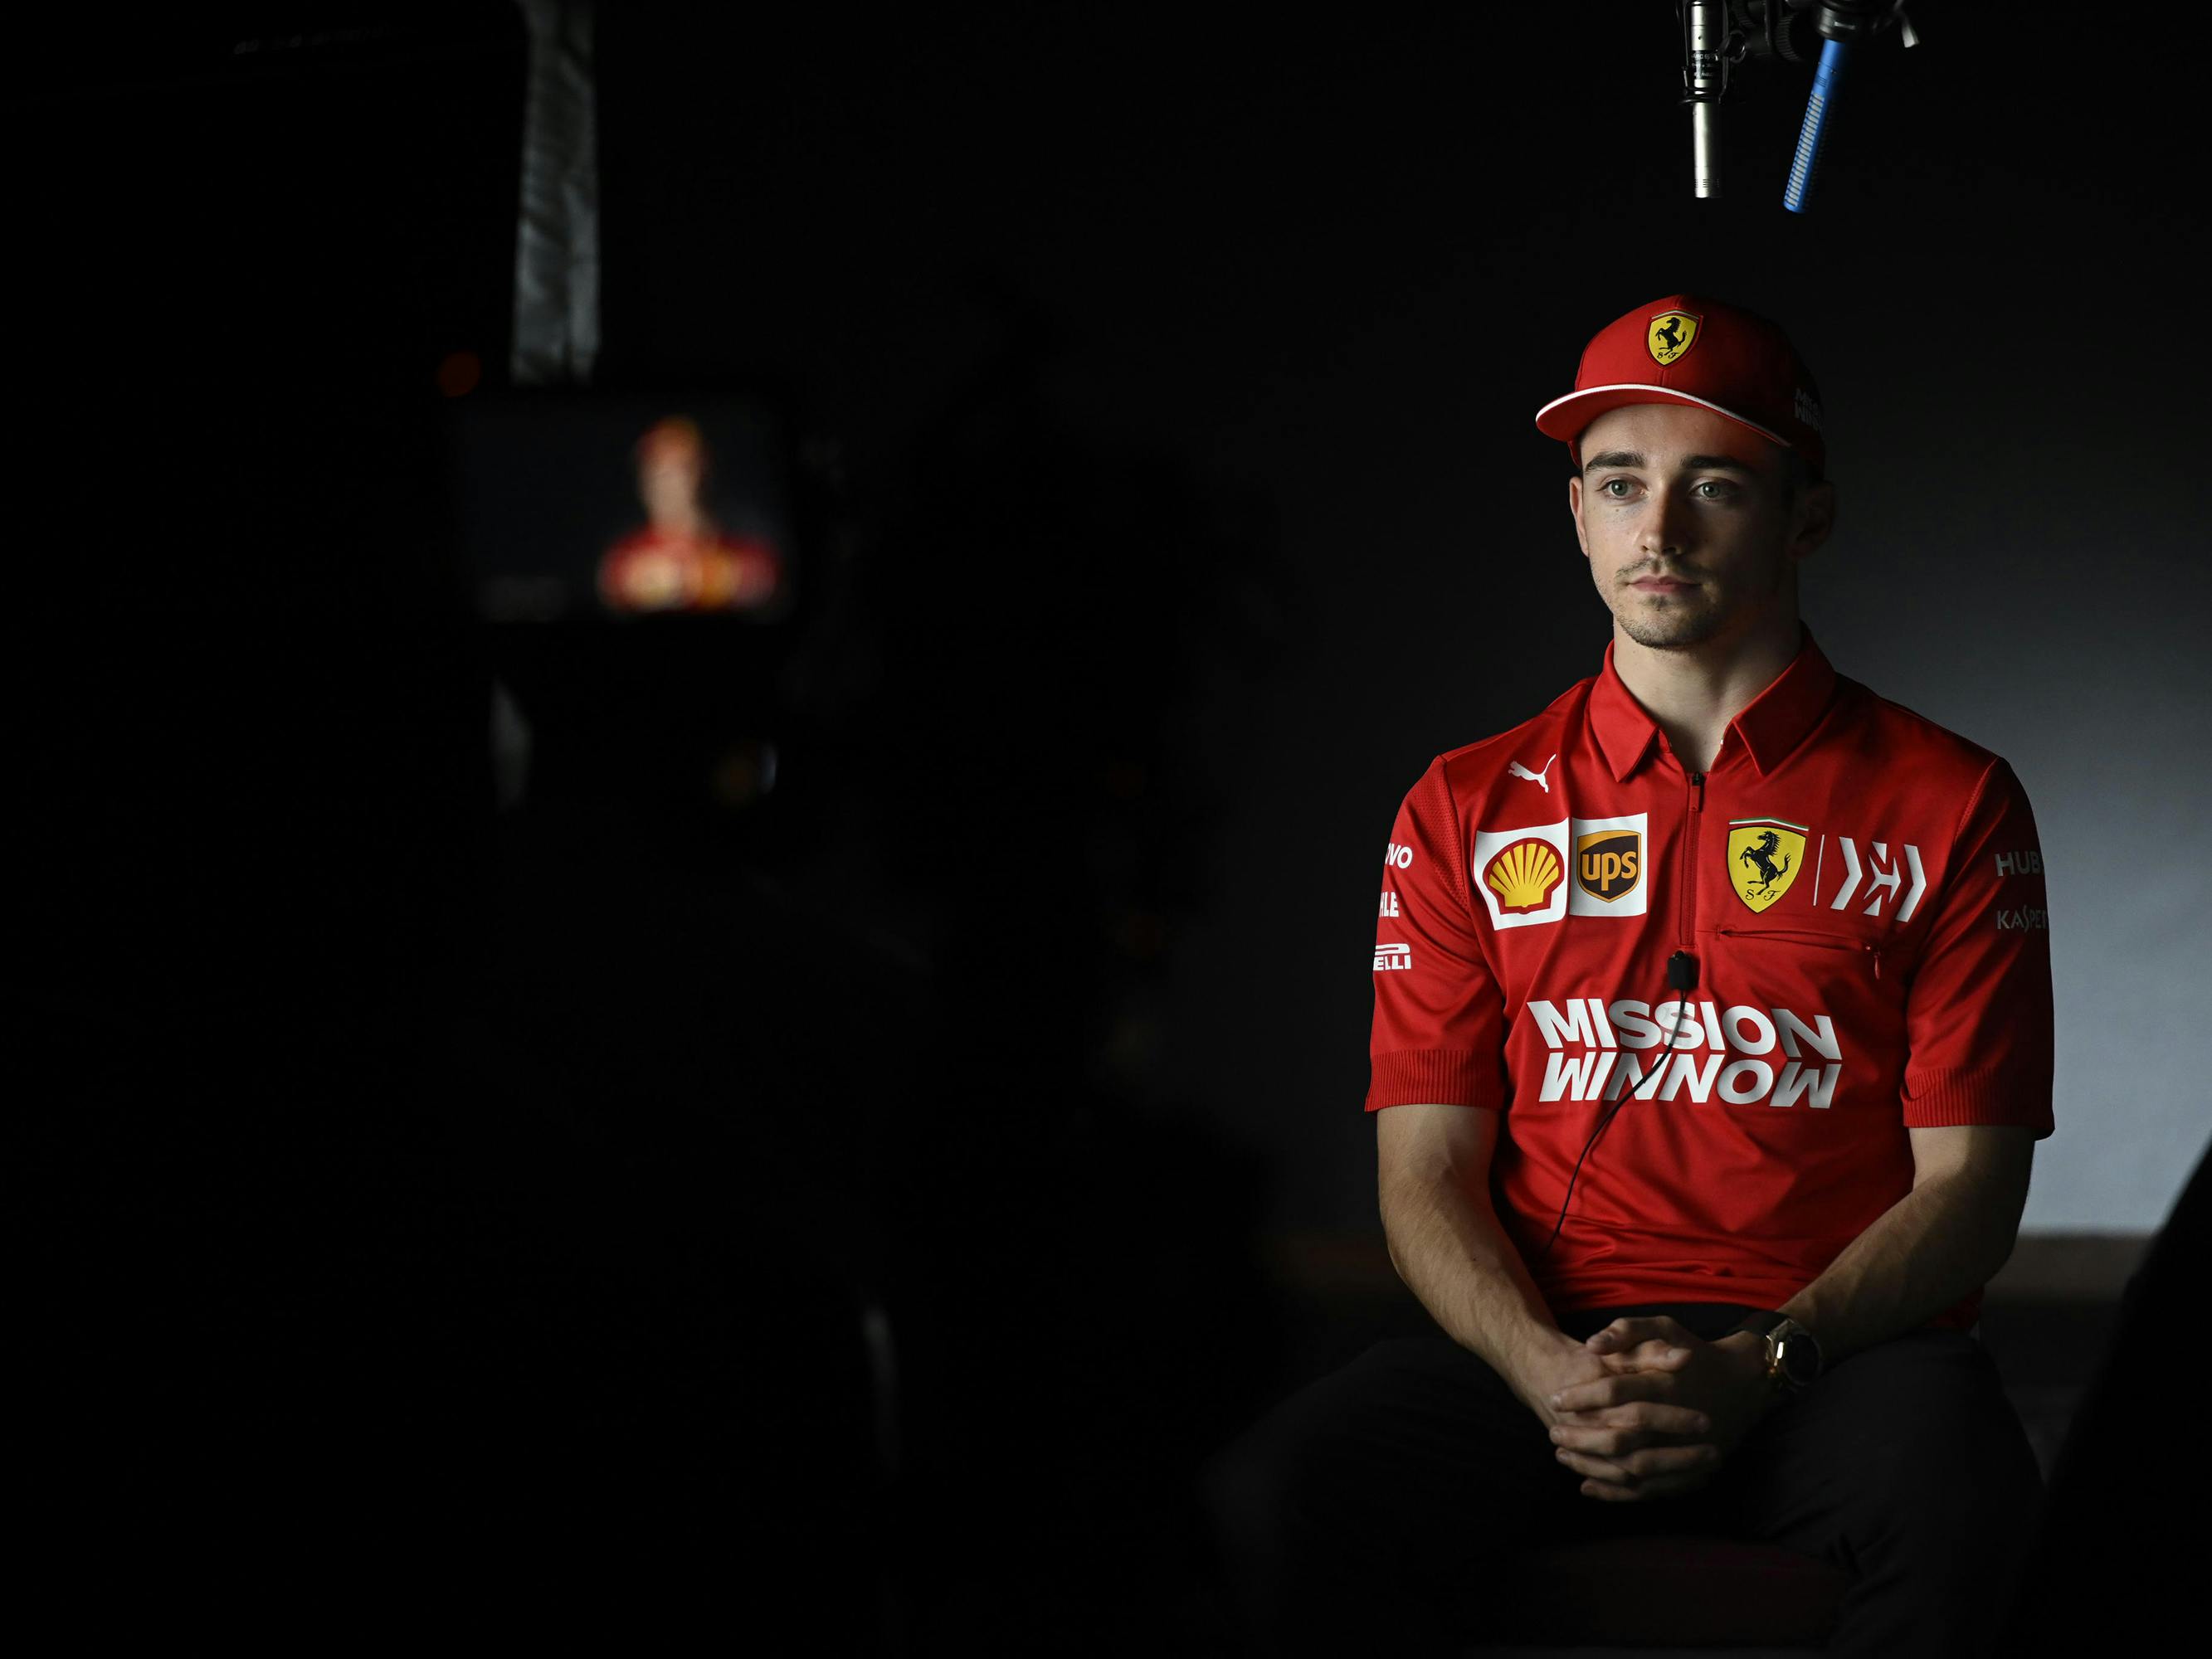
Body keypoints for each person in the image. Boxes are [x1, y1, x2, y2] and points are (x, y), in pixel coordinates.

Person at [1201, 294, 2054, 1657]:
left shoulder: (1954, 801)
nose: (1655, 531)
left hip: (1832, 1361)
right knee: (1266, 1504)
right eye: (1618, 484)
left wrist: (1757, 1368)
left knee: (1968, 1501)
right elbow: (1423, 1165)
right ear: (1578, 516)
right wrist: (1549, 1379)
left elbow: (1972, 1187)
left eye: (1713, 485)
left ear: (1806, 519)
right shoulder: (1461, 804)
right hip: (1541, 1358)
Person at [598, 415, 783, 613]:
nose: (666, 484)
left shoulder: (741, 544)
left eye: (678, 471)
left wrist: (695, 577)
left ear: (700, 473)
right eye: (657, 472)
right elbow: (617, 583)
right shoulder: (627, 555)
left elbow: (764, 577)